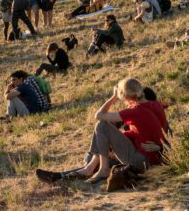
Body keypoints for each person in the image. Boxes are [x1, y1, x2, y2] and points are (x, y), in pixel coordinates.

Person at [36, 78, 164, 184]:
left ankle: (97, 170)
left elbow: (99, 115)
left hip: (141, 161)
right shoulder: (152, 106)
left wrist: (113, 97)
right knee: (94, 157)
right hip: (142, 157)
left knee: (101, 126)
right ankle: (61, 176)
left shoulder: (136, 111)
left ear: (125, 97)